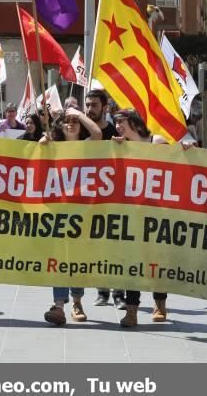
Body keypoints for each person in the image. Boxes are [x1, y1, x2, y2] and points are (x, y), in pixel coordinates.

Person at [40, 107, 102, 325]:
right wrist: (42, 145)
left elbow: (97, 134)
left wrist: (78, 113)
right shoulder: (52, 146)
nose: (71, 124)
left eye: (74, 121)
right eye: (66, 121)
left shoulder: (86, 146)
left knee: (76, 258)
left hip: (82, 211)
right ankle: (58, 305)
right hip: (57, 210)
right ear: (59, 125)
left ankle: (77, 301)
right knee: (59, 258)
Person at [112, 108, 170, 327]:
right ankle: (132, 311)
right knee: (132, 262)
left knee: (157, 261)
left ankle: (160, 304)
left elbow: (176, 167)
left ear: (135, 122)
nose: (118, 126)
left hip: (158, 212)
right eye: (116, 122)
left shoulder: (157, 141)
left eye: (122, 122)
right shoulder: (122, 146)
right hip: (133, 213)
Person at [85, 89, 124, 308]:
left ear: (105, 108)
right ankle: (102, 291)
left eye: (94, 105)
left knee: (115, 248)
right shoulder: (80, 130)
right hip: (88, 201)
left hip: (114, 199)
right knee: (95, 248)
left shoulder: (116, 133)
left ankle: (118, 293)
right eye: (88, 105)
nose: (90, 109)